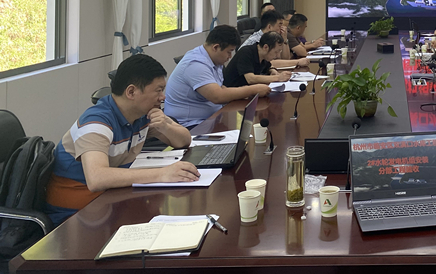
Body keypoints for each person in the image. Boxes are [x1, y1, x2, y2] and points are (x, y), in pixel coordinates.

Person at [45, 54, 198, 224]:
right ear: (131, 92)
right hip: (75, 214)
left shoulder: (142, 115)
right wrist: (162, 174)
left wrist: (166, 127)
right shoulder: (96, 122)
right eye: (158, 90)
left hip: (108, 199)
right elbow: (97, 178)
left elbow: (184, 140)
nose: (163, 97)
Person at [164, 25, 271, 127]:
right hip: (190, 125)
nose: (230, 56)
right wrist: (253, 89)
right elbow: (217, 96)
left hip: (211, 117)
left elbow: (221, 88)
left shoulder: (214, 61)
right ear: (216, 47)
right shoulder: (195, 64)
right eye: (229, 52)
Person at [241, 11, 311, 67]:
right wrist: (297, 62)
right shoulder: (256, 40)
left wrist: (284, 39)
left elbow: (285, 59)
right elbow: (270, 63)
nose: (283, 28)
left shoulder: (273, 38)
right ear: (269, 27)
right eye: (280, 25)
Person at [223, 32, 292, 87]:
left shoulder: (263, 55)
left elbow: (268, 66)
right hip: (232, 94)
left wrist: (272, 70)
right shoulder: (246, 52)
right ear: (266, 47)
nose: (278, 55)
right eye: (276, 52)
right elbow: (250, 78)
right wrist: (278, 78)